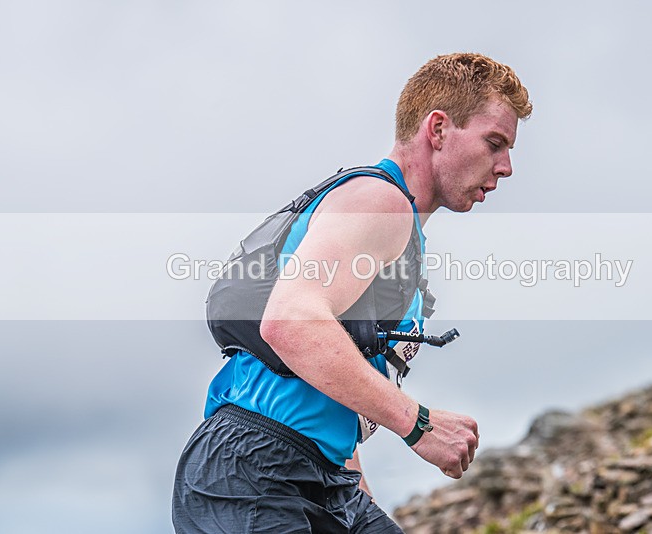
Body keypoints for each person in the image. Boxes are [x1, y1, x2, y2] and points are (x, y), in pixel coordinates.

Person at [172, 52, 532, 533]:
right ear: (439, 129)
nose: (505, 166)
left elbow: (329, 378)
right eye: (494, 143)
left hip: (315, 471)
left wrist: (358, 500)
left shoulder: (401, 232)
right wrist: (419, 423)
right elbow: (290, 322)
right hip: (253, 466)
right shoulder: (380, 203)